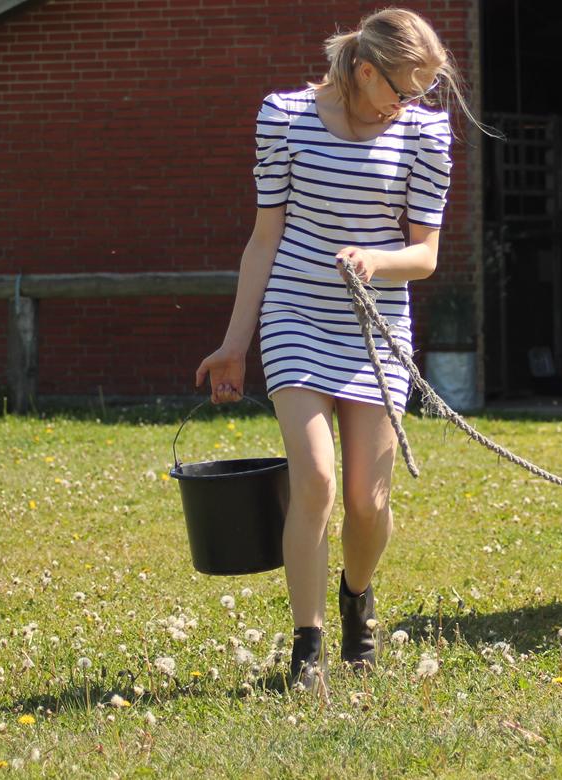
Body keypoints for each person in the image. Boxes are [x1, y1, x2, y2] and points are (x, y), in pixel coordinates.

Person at [195, 8, 478, 691]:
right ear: (362, 70)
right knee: (315, 478)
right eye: (402, 89)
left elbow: (427, 255)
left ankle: (358, 595)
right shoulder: (284, 118)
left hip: (374, 328)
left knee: (367, 501)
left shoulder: (423, 134)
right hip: (296, 315)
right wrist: (235, 344)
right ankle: (307, 647)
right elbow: (265, 239)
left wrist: (378, 262)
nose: (411, 103)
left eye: (424, 91)